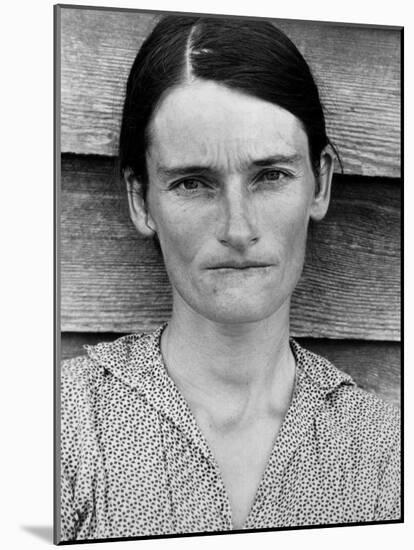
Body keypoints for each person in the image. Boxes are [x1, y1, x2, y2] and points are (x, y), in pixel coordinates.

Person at [59, 14, 400, 542]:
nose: (238, 229)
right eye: (193, 183)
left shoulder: (385, 452)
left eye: (270, 175)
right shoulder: (67, 426)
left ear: (321, 182)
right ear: (139, 198)